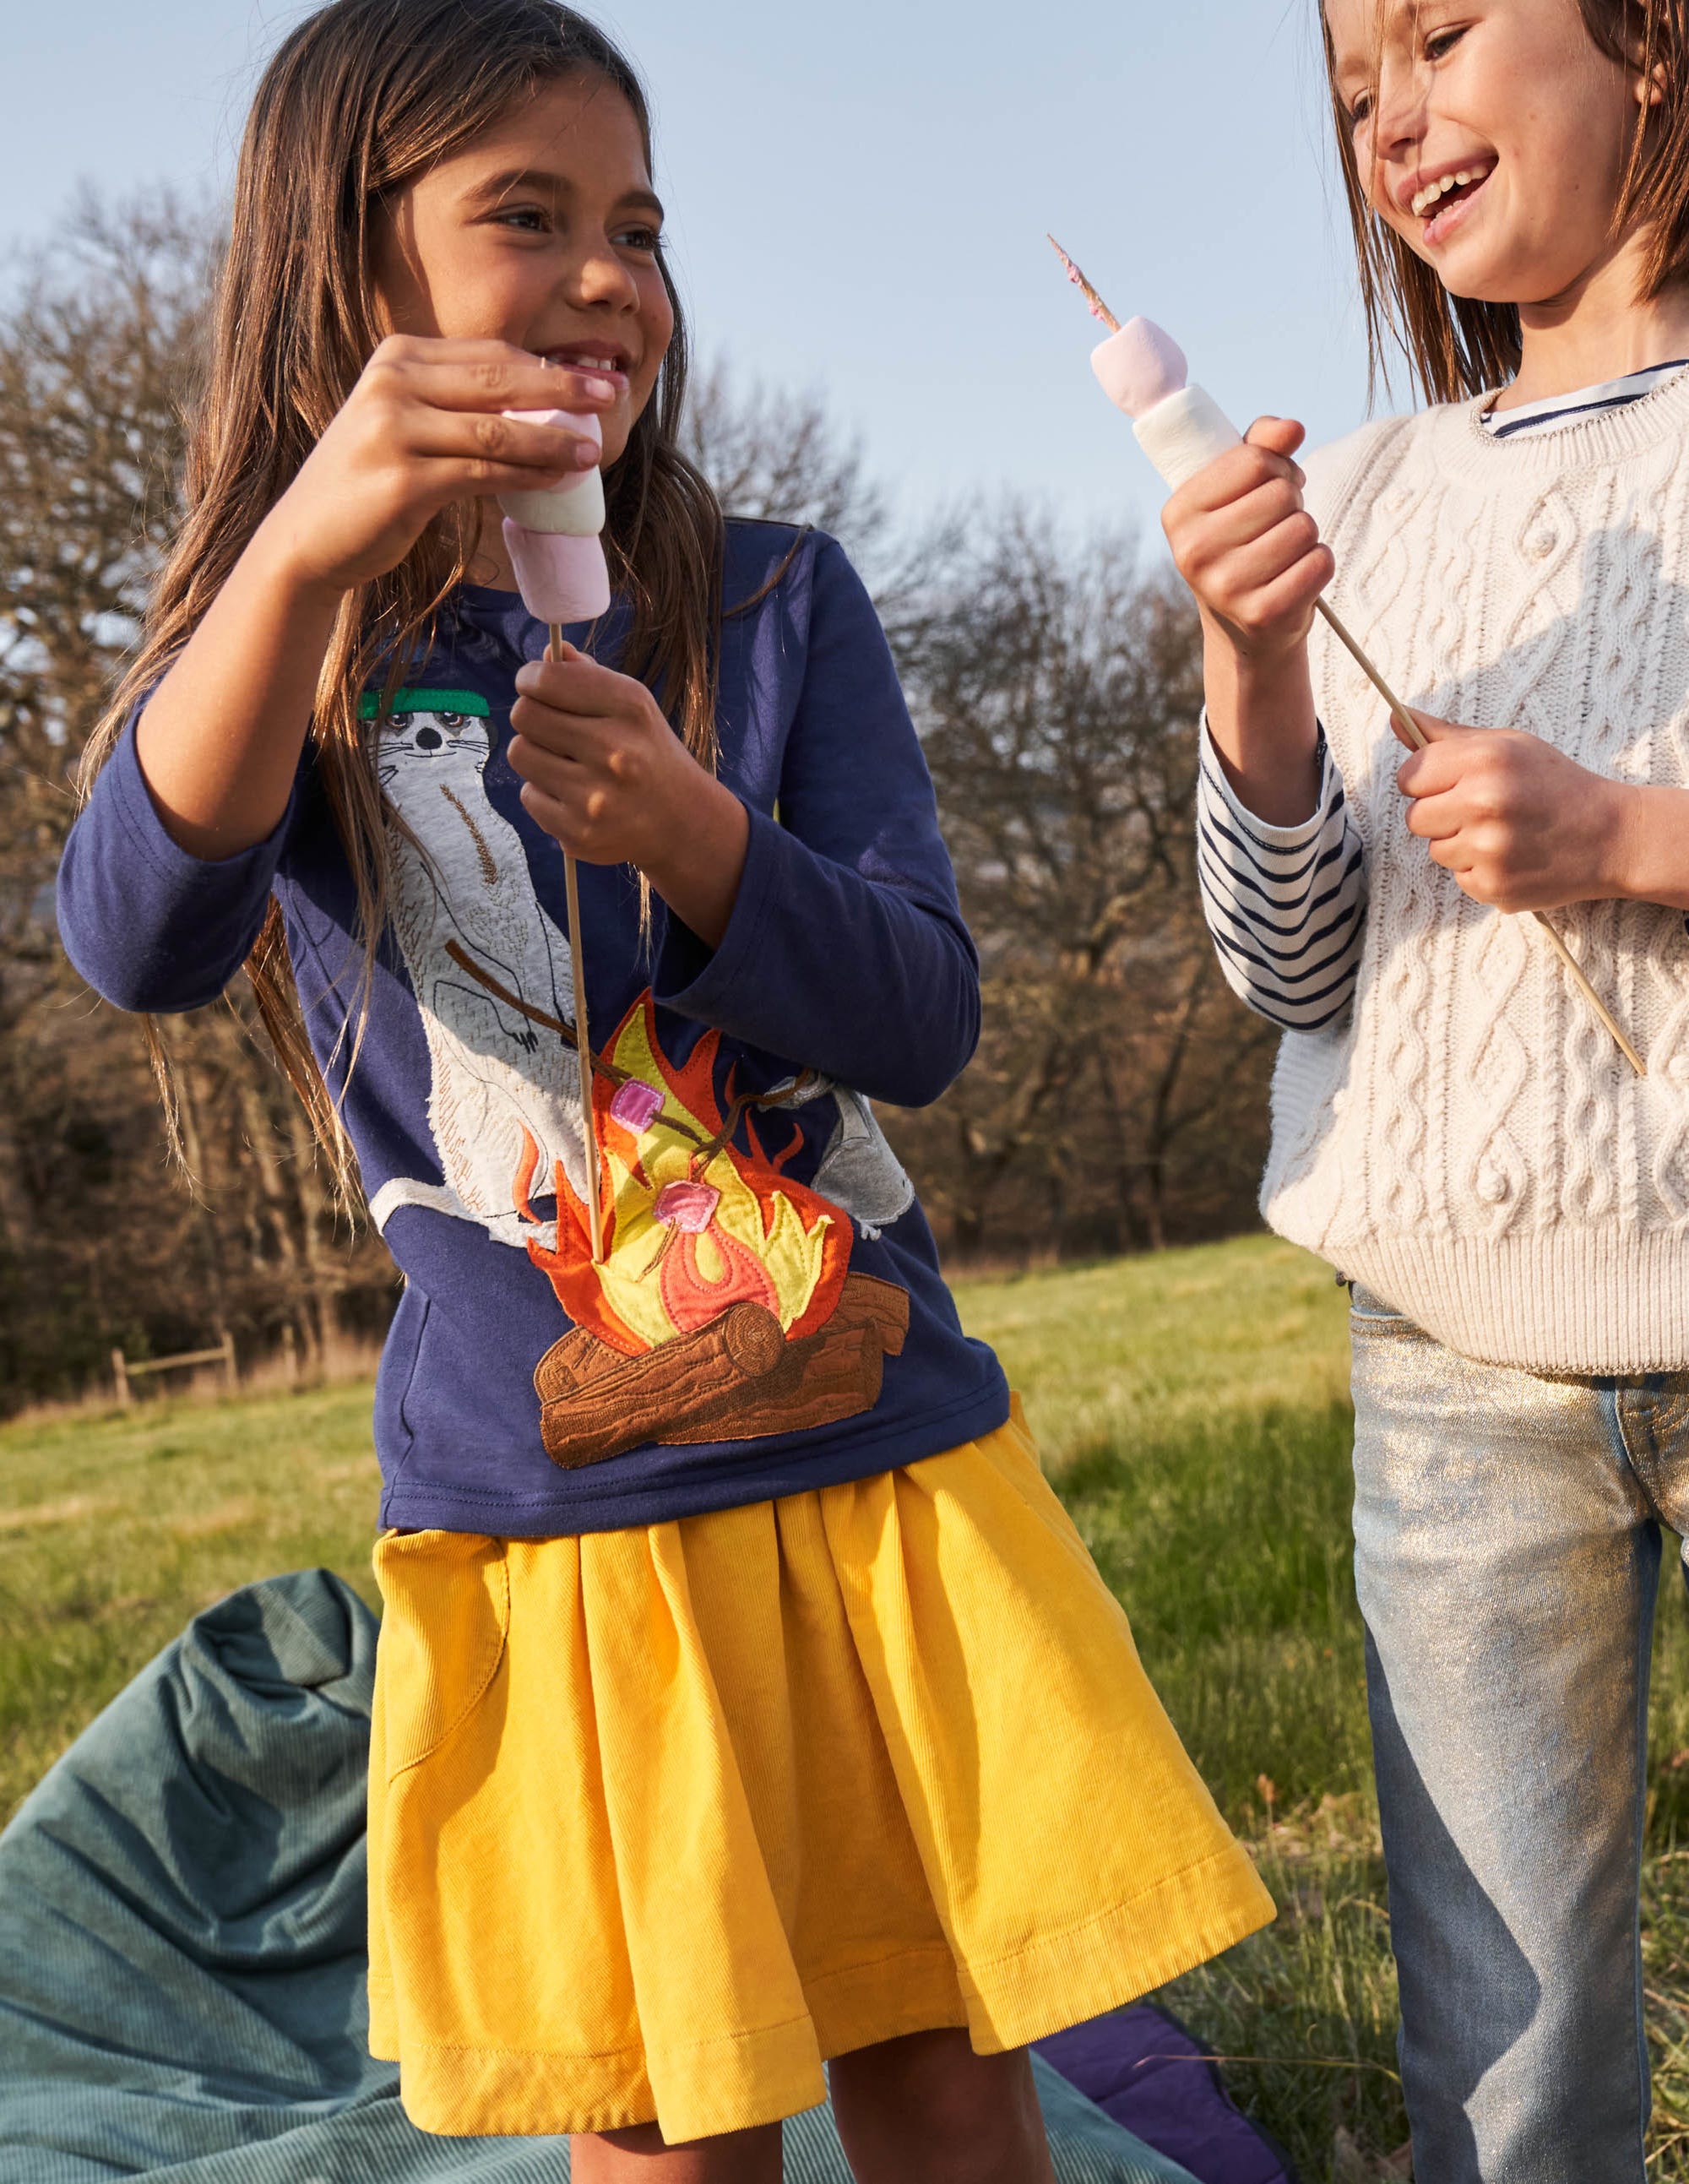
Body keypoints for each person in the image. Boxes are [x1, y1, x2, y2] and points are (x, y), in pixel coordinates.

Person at [54, 4, 1274, 2179]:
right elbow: (136, 931)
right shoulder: (290, 651)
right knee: (660, 2118)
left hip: (859, 1447)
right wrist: (301, 556)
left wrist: (703, 839)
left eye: (642, 222)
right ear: (348, 271)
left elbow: (919, 1012)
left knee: (931, 2050)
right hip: (554, 1523)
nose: (611, 271)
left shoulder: (785, 599)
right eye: (529, 216)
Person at [1168, 1, 1689, 2177]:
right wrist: (1254, 673)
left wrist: (1626, 840)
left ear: (1651, 39)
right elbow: (1292, 964)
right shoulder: (1368, 494)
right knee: (1506, 2042)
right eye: (1353, 85)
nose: (1390, 115)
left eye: (1441, 32)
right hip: (1455, 1365)